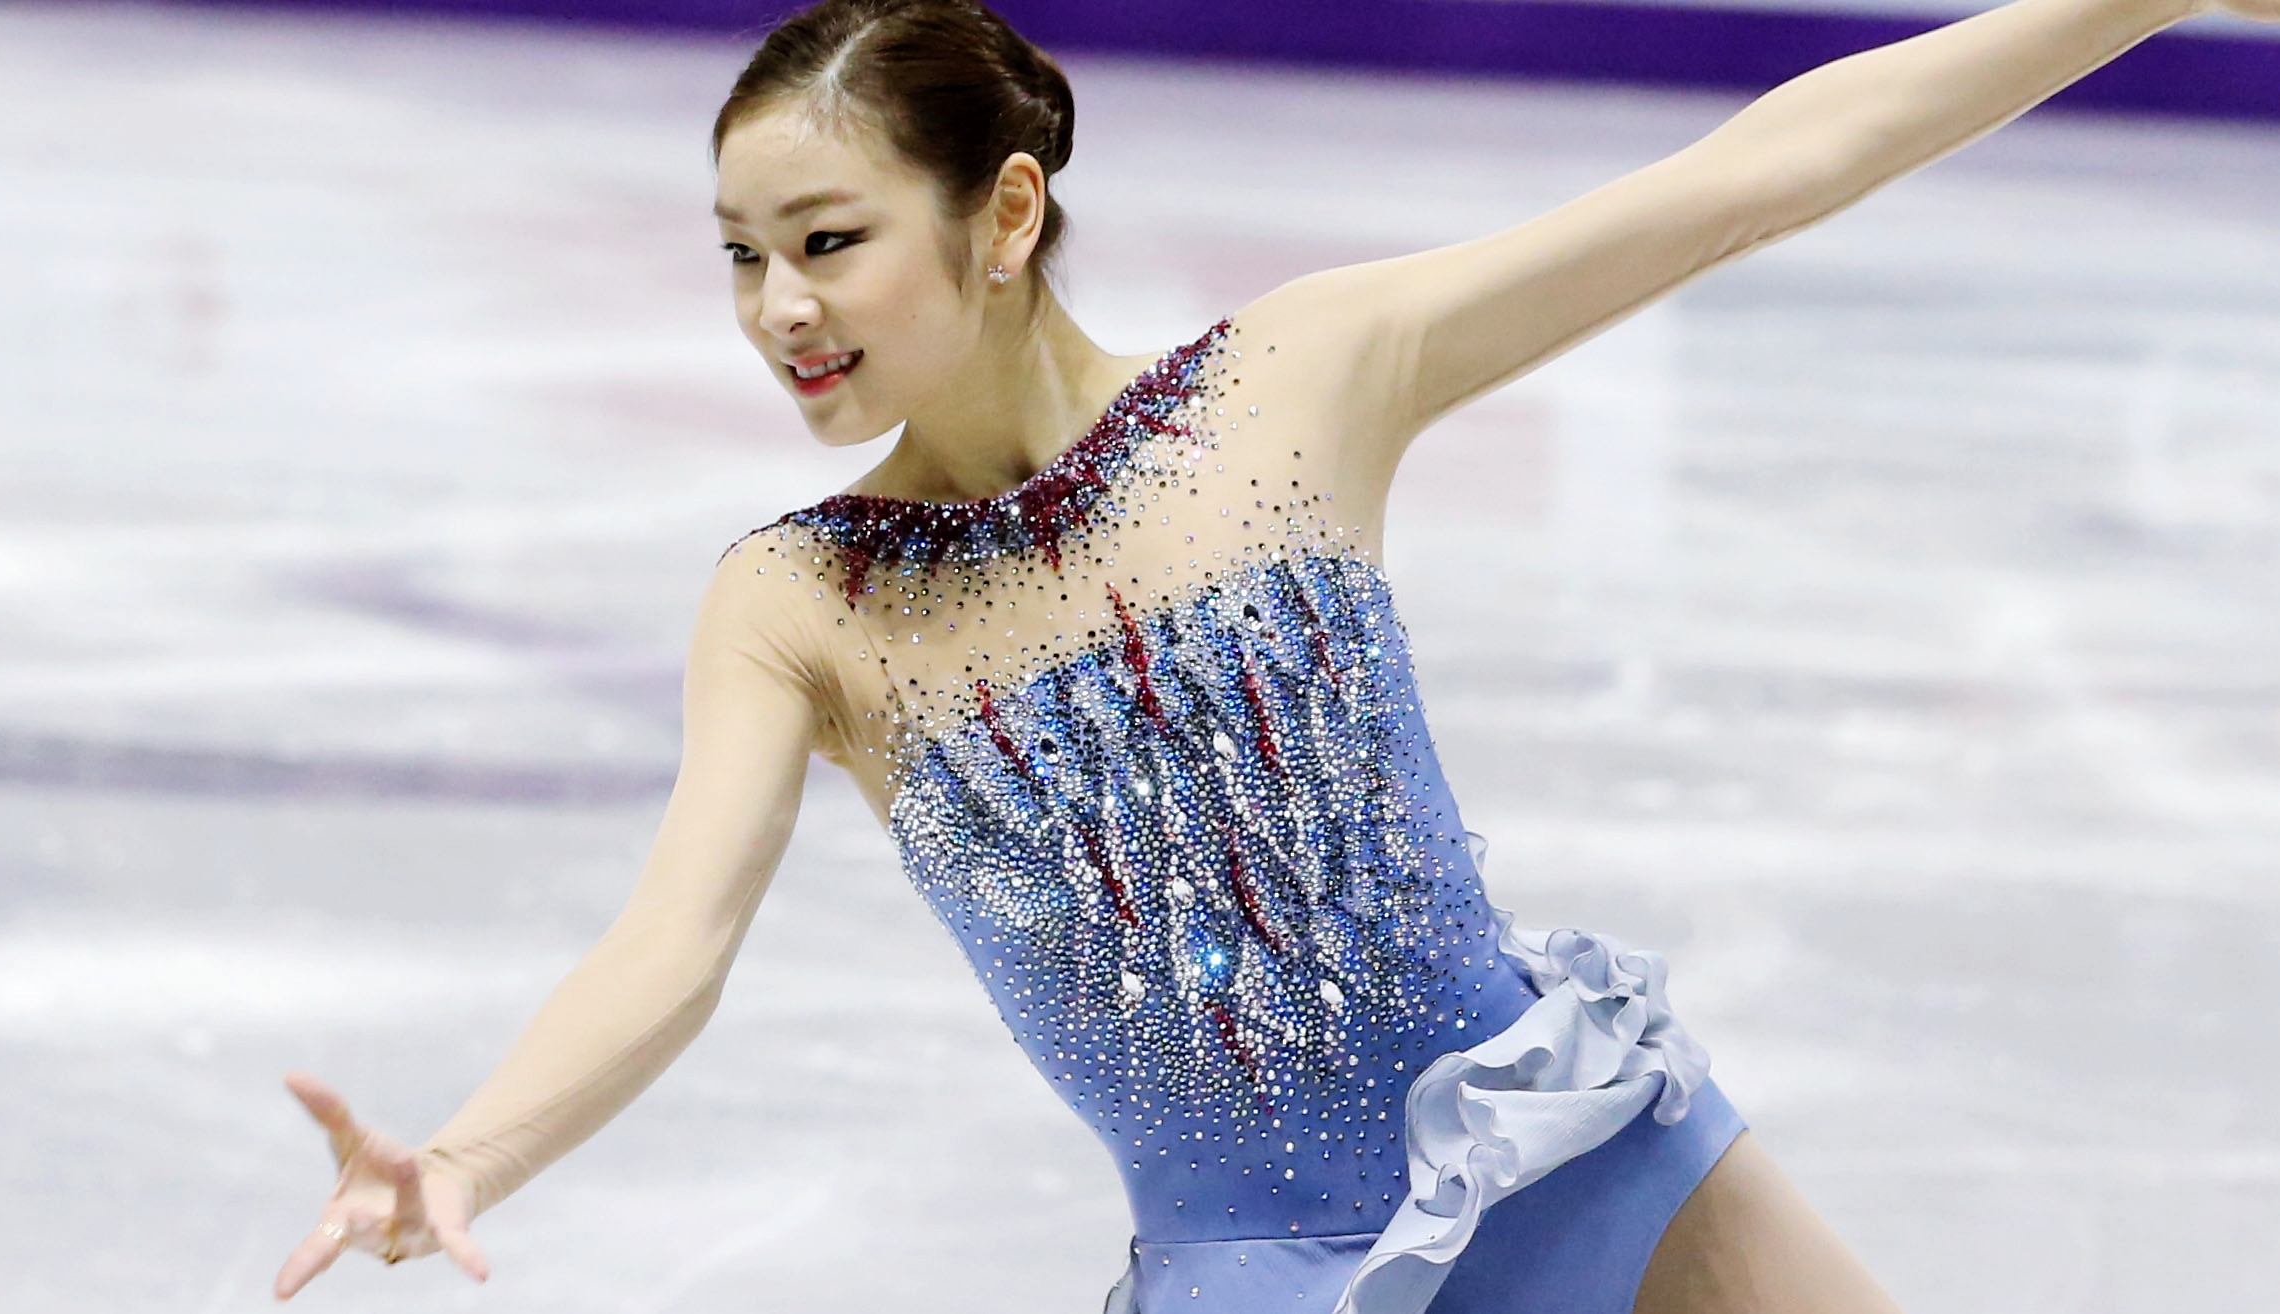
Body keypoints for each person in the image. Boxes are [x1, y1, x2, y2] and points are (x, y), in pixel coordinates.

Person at [270, 0, 2270, 1309]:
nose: (776, 306)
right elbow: (671, 944)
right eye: (740, 255)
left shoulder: (1290, 382)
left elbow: (1753, 176)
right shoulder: (802, 602)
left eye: (825, 239)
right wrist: (471, 1152)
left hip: (1585, 1158)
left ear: (1003, 213)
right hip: (1265, 1277)